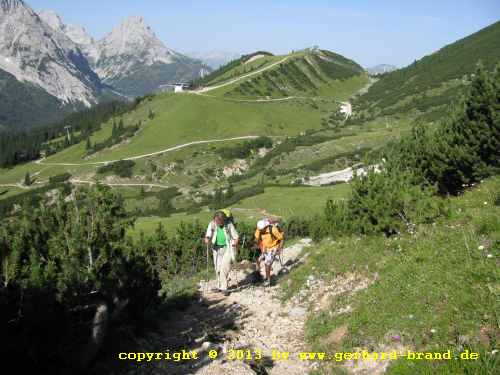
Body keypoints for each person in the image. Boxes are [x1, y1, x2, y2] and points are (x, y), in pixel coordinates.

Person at [204, 211, 239, 296]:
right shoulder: (212, 224)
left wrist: (235, 243)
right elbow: (208, 234)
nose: (217, 223)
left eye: (219, 221)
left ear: (223, 220)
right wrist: (207, 238)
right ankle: (219, 286)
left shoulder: (229, 225)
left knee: (224, 267)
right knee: (218, 268)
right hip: (216, 249)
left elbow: (236, 237)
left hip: (228, 248)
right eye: (216, 221)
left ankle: (224, 287)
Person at [254, 218, 285, 286]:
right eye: (260, 230)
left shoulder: (273, 229)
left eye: (262, 230)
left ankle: (268, 280)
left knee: (267, 263)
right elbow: (256, 238)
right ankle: (260, 276)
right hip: (265, 247)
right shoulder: (259, 229)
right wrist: (258, 245)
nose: (260, 231)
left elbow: (281, 238)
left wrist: (279, 249)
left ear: (265, 227)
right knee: (260, 261)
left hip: (274, 246)